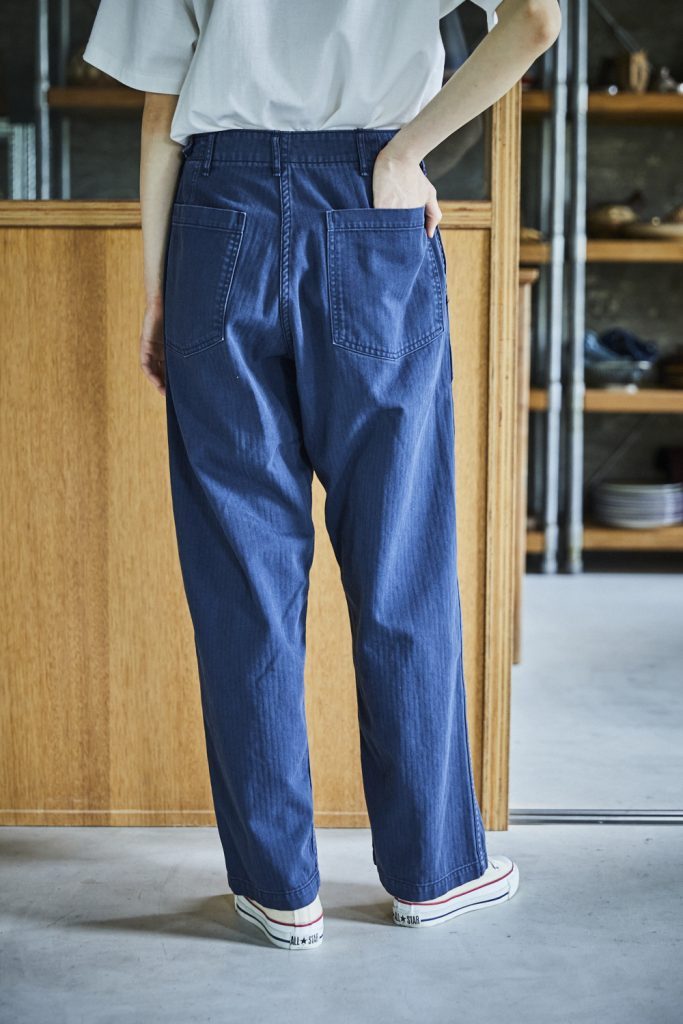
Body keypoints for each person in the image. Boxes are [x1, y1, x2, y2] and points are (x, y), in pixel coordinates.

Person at [84, 0, 561, 951]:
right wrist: (405, 154)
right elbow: (536, 19)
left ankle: (278, 890)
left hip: (216, 217)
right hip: (369, 207)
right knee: (400, 564)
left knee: (243, 580)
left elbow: (161, 106)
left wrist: (157, 287)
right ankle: (434, 873)